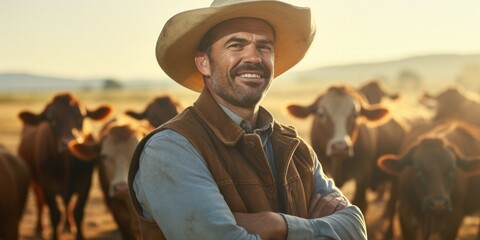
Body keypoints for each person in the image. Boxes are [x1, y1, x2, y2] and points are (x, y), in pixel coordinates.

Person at [128, 0, 368, 239]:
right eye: (236, 45)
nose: (254, 57)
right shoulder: (170, 150)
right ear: (204, 63)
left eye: (265, 47)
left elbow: (356, 228)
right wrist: (315, 226)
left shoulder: (296, 149)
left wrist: (278, 225)